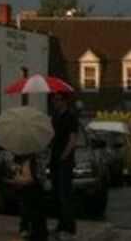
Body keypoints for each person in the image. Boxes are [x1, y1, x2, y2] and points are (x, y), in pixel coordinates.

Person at [49, 92, 78, 239]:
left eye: (59, 99)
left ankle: (69, 227)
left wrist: (64, 156)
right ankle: (61, 225)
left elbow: (72, 140)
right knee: (57, 194)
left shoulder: (71, 117)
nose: (56, 102)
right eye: (54, 99)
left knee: (65, 194)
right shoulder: (55, 117)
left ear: (65, 101)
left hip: (64, 161)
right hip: (54, 159)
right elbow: (53, 136)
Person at [14, 152, 48, 241]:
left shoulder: (36, 160)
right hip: (27, 191)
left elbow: (35, 178)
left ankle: (38, 234)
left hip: (35, 190)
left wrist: (21, 180)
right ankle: (31, 230)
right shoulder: (22, 160)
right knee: (29, 210)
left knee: (36, 213)